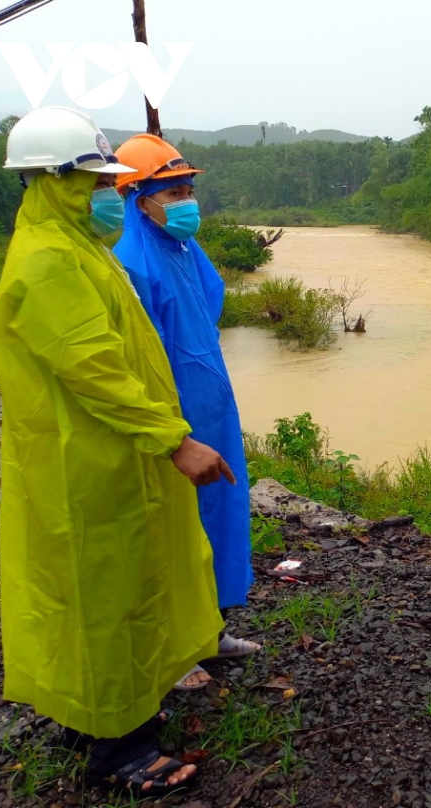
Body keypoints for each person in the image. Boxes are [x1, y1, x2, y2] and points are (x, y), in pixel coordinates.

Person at [0, 106, 232, 795]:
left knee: (101, 593)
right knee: (106, 599)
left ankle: (91, 716)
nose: (106, 194)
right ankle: (121, 749)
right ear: (53, 182)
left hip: (104, 457)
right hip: (87, 464)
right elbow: (94, 369)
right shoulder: (49, 265)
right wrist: (173, 441)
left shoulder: (74, 251)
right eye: (95, 180)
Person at [112, 134, 258, 691]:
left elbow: (210, 304)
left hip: (211, 405)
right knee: (173, 528)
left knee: (217, 514)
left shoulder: (181, 248)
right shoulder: (129, 262)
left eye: (189, 188)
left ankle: (209, 629)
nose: (186, 199)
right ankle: (172, 648)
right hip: (171, 418)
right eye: (173, 190)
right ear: (138, 197)